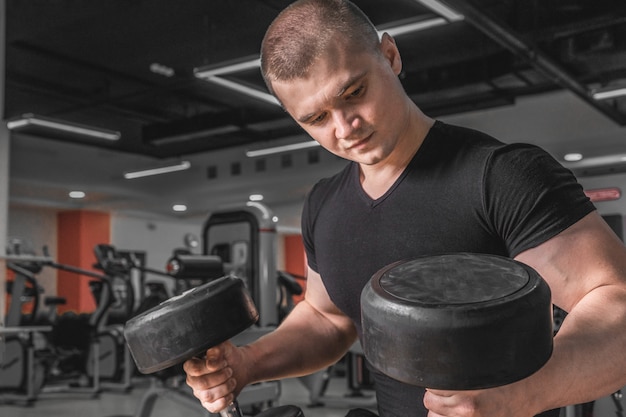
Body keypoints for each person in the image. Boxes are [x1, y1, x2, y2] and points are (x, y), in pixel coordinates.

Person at [184, 1, 626, 416]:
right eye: (316, 119)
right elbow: (328, 318)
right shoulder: (323, 205)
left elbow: (617, 305)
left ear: (390, 55)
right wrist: (247, 363)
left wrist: (516, 397)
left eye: (354, 92)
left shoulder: (500, 176)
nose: (344, 128)